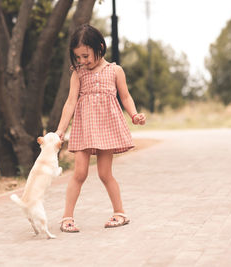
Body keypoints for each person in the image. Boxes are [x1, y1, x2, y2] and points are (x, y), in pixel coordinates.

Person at [55, 24, 146, 233]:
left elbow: (125, 97)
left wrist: (134, 115)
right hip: (85, 128)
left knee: (105, 174)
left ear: (100, 47)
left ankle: (120, 213)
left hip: (107, 127)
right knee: (79, 173)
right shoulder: (78, 73)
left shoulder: (115, 70)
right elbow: (70, 102)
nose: (82, 61)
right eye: (78, 57)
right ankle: (67, 217)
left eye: (86, 55)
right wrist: (60, 130)